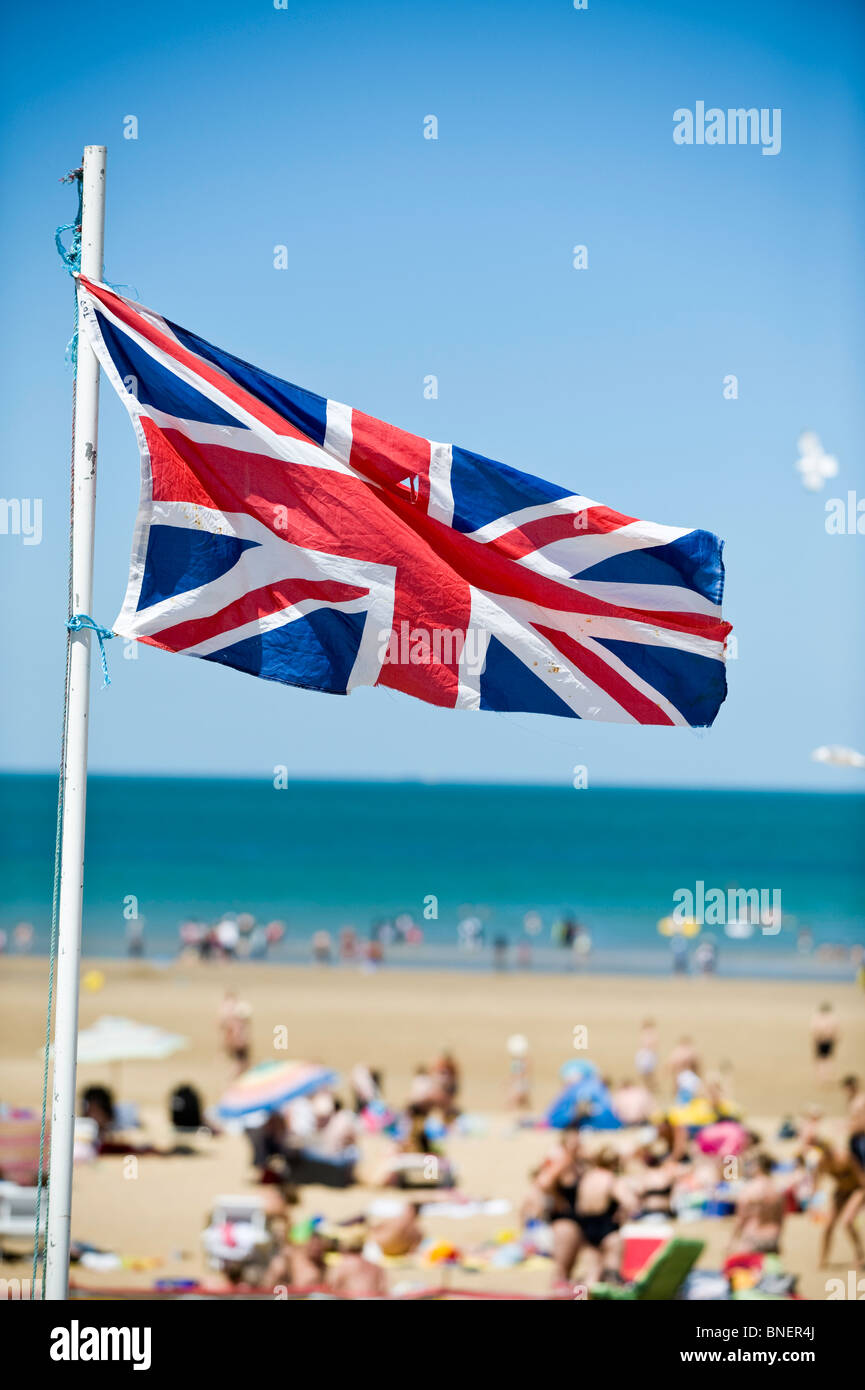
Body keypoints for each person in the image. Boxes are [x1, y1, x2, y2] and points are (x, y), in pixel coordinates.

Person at [728, 1153, 788, 1255]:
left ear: (758, 1167)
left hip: (752, 1238)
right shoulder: (777, 1190)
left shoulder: (749, 1189)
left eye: (750, 1164)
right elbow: (781, 1219)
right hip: (772, 1238)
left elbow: (741, 1218)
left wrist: (731, 1242)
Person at [811, 1003, 839, 1083]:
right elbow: (836, 1030)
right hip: (828, 1040)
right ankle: (826, 1076)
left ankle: (823, 1077)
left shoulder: (817, 1017)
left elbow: (814, 1030)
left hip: (821, 1040)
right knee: (827, 1059)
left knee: (821, 1059)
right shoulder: (833, 1018)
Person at [635, 1019, 659, 1091]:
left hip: (648, 1053)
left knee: (648, 1073)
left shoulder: (651, 1033)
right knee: (644, 1072)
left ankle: (649, 1086)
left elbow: (653, 1043)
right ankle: (647, 1087)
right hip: (645, 1053)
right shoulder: (647, 1033)